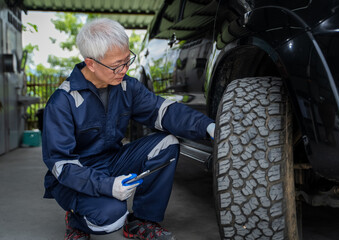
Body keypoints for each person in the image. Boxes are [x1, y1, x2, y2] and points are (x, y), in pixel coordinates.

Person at [42, 18, 215, 240]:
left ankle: (142, 221)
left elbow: (164, 111)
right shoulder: (62, 101)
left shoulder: (127, 86)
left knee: (167, 143)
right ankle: (76, 221)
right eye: (116, 65)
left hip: (113, 160)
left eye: (127, 60)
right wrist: (108, 186)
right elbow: (61, 165)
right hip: (76, 175)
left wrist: (208, 126)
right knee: (112, 216)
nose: (124, 69)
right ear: (91, 63)